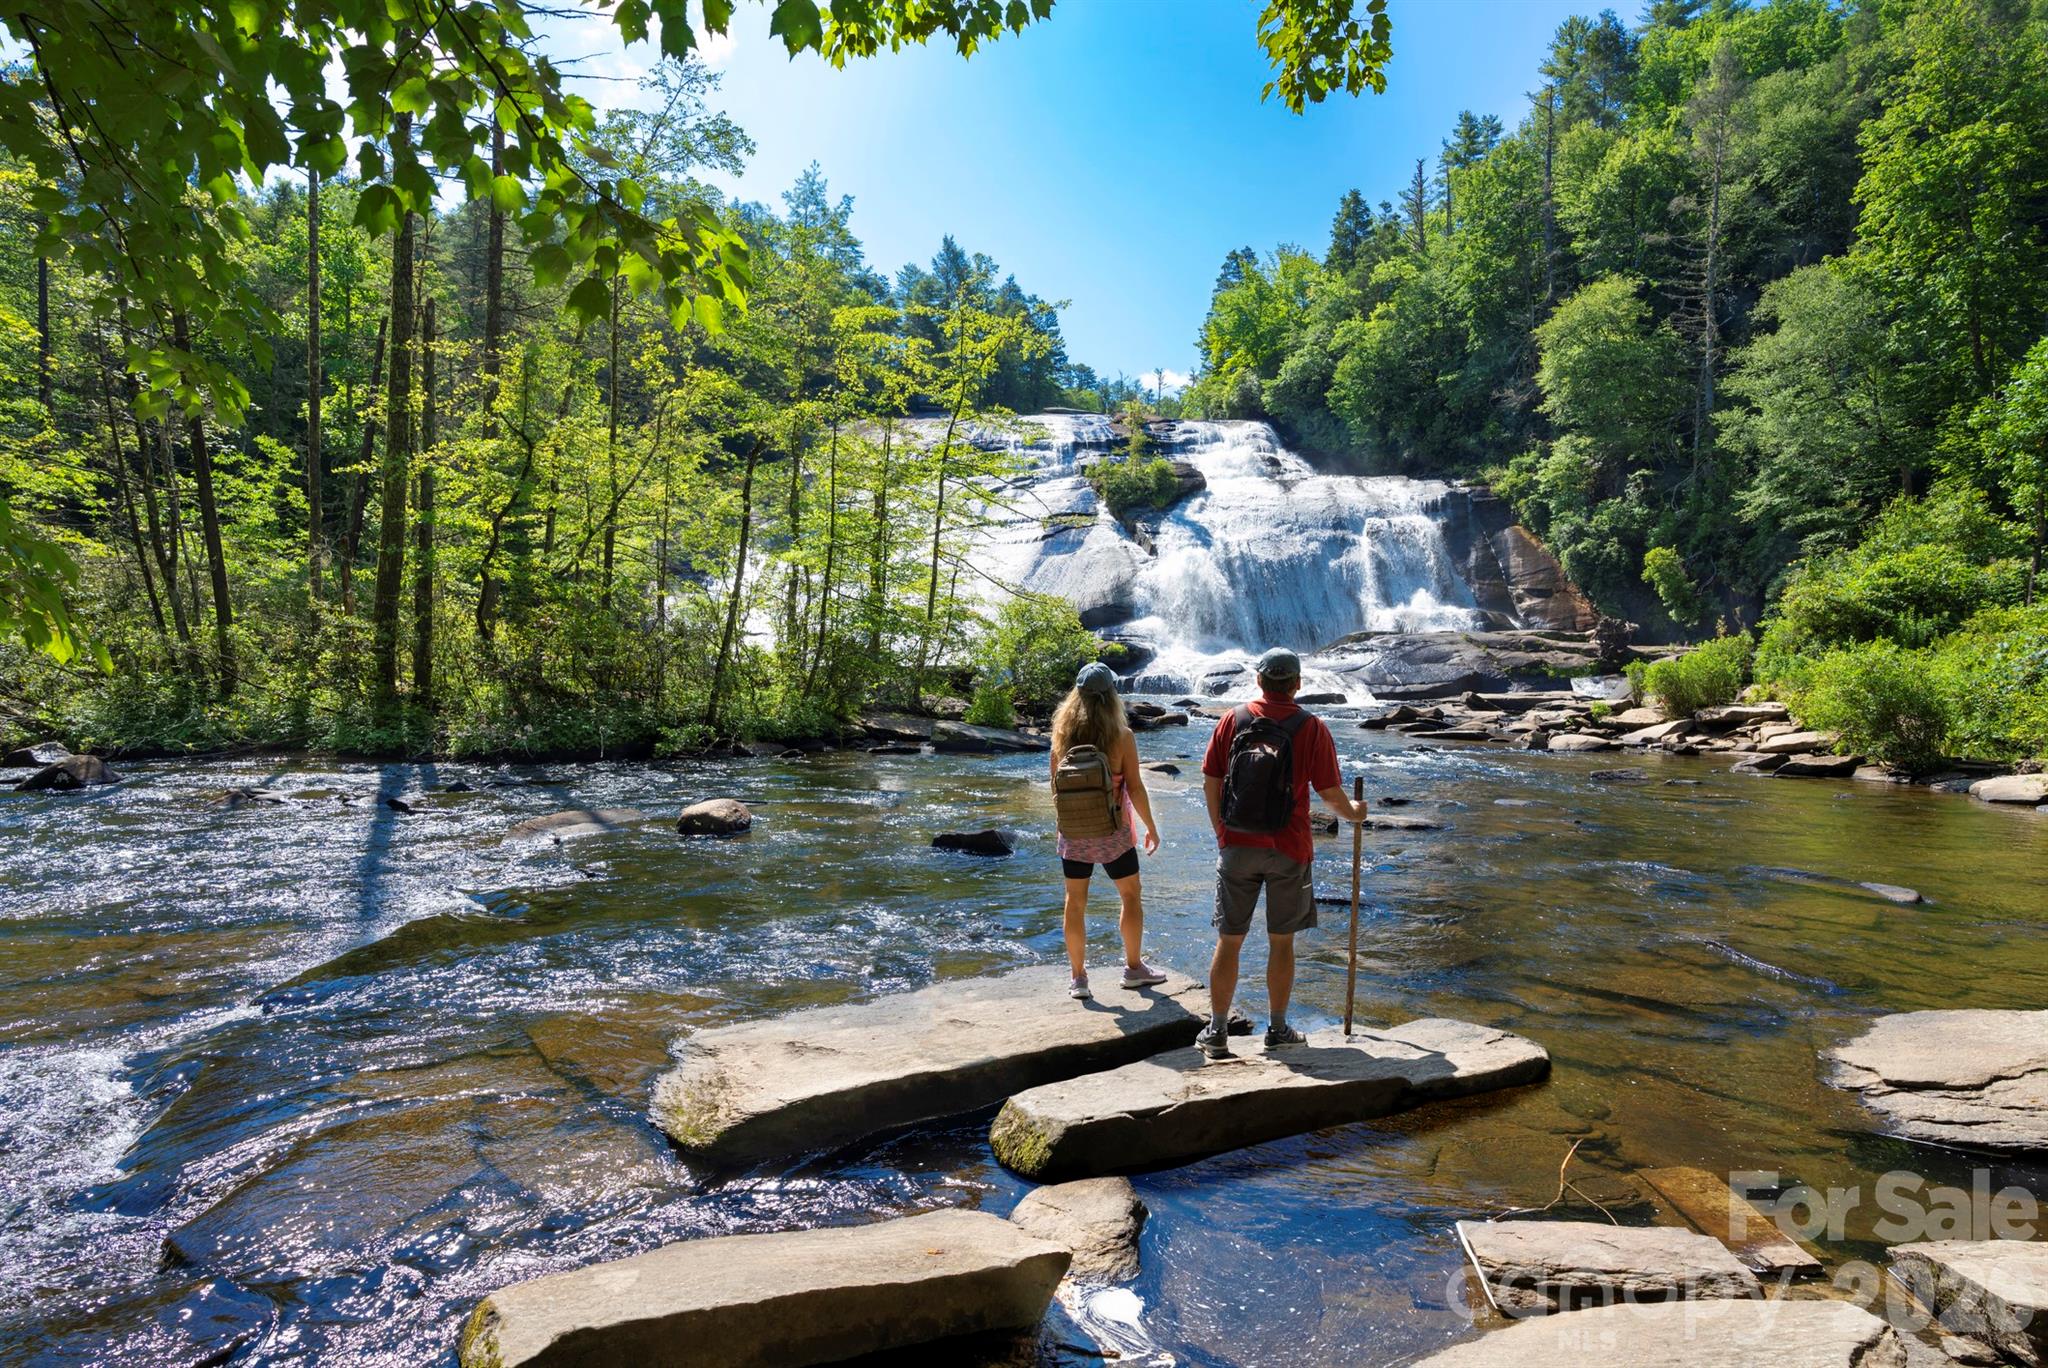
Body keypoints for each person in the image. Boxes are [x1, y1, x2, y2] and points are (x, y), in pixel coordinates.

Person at [1197, 647, 1368, 1057]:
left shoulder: (1232, 720)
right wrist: (1355, 813)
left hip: (1237, 845)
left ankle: (1217, 1032)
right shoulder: (1311, 727)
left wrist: (1222, 832)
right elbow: (1329, 793)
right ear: (1297, 684)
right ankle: (1277, 1029)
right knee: (1281, 942)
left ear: (1258, 680)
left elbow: (1211, 781)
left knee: (1229, 939)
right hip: (1289, 848)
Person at [1049, 662, 1167, 1000]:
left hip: (1073, 832)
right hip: (1115, 833)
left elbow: (1055, 789)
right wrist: (1151, 827)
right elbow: (1135, 787)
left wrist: (1070, 826)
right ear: (1111, 696)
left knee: (1074, 902)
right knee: (1130, 895)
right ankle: (1133, 969)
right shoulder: (1122, 736)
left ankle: (1078, 979)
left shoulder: (1060, 735)